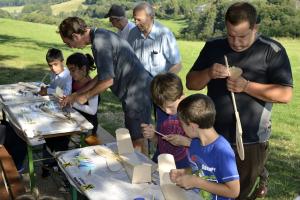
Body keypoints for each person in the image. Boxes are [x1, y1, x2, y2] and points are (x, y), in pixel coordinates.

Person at [186, 2, 293, 199]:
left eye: (242, 36)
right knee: (211, 189)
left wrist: (246, 86)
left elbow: (286, 94)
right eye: (231, 35)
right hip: (213, 135)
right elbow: (191, 83)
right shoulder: (214, 47)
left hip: (250, 140)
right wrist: (209, 73)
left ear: (255, 28)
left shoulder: (271, 51)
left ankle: (261, 179)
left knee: (240, 194)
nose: (235, 42)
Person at [58, 17, 152, 154]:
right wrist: (76, 94)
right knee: (136, 136)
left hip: (137, 93)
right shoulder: (99, 35)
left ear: (75, 36)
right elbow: (102, 75)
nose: (71, 47)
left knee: (137, 138)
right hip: (135, 91)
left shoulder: (100, 43)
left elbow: (108, 81)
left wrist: (86, 96)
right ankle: (141, 169)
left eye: (68, 43)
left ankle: (143, 173)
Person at [170, 94, 240, 199]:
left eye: (182, 124)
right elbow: (201, 168)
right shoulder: (195, 144)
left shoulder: (222, 151)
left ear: (193, 126)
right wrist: (184, 172)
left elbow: (234, 191)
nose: (181, 128)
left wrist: (197, 182)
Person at [141, 73, 191, 169]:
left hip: (184, 172)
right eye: (162, 107)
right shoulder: (161, 110)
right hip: (160, 166)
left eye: (170, 107)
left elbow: (207, 147)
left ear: (182, 96)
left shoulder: (193, 112)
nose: (167, 111)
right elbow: (160, 143)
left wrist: (185, 141)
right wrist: (152, 136)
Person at [127, 2, 182, 77]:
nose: (136, 23)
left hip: (158, 85)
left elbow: (177, 65)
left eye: (139, 20)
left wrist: (163, 82)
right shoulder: (132, 33)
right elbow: (128, 59)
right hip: (137, 84)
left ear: (151, 17)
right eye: (135, 19)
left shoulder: (164, 34)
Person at [66, 52, 101, 146]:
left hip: (89, 124)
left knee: (92, 148)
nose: (70, 73)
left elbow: (92, 111)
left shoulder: (92, 86)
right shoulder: (74, 81)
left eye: (73, 70)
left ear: (83, 69)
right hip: (76, 120)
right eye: (69, 70)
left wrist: (72, 103)